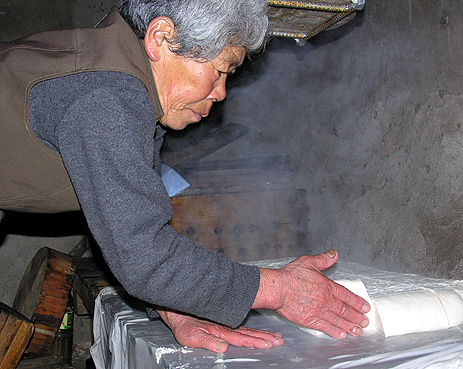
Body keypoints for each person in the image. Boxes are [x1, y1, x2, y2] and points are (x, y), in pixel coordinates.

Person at [0, 0, 370, 353]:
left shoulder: (128, 83)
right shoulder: (106, 96)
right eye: (221, 70)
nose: (221, 92)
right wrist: (284, 290)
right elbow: (144, 255)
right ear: (160, 38)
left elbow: (120, 228)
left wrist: (174, 309)